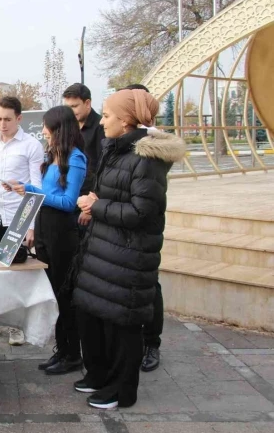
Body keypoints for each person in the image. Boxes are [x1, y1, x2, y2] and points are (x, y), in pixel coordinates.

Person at [73, 89, 185, 409]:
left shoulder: (146, 158)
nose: (102, 121)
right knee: (98, 317)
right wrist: (96, 204)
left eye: (107, 115)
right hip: (107, 251)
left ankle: (121, 390)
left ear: (125, 121)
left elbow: (141, 212)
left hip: (129, 257)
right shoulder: (118, 149)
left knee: (123, 326)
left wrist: (97, 206)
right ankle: (100, 375)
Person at [7, 106, 87, 375]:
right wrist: (26, 189)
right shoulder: (53, 157)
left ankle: (72, 353)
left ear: (59, 129)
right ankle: (61, 350)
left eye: (47, 127)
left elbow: (68, 202)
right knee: (53, 294)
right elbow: (47, 192)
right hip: (45, 230)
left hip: (62, 234)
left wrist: (31, 191)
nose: (43, 131)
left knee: (65, 296)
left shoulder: (75, 159)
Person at [0, 96, 44, 346]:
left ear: (19, 119)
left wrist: (31, 226)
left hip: (18, 219)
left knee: (17, 273)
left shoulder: (31, 146)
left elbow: (36, 187)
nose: (2, 124)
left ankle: (17, 325)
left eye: (7, 119)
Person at [121, 83, 164, 374]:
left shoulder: (153, 146)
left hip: (141, 229)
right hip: (120, 226)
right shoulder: (117, 140)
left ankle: (151, 343)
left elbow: (144, 201)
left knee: (150, 288)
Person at [62, 83, 105, 230]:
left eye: (74, 106)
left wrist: (89, 208)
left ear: (87, 103)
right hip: (69, 200)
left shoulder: (101, 128)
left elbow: (102, 170)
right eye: (68, 107)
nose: (71, 111)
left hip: (87, 205)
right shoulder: (69, 128)